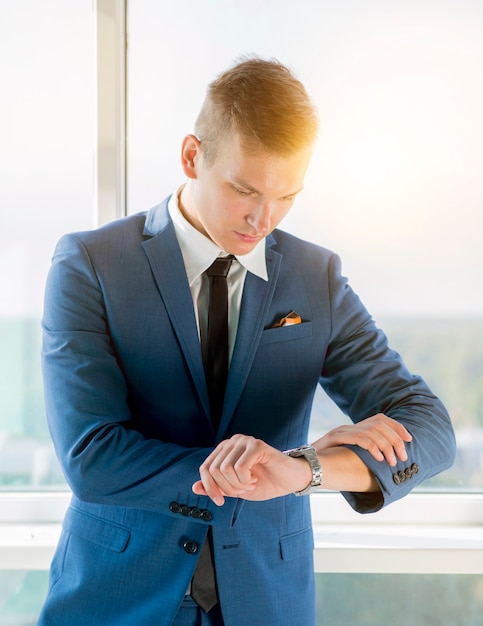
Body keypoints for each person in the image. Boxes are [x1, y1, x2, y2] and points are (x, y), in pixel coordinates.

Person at [38, 57, 455, 626]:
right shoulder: (91, 264)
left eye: (287, 196)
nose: (264, 218)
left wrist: (305, 469)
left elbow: (430, 429)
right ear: (192, 156)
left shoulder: (316, 278)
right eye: (244, 189)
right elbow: (93, 457)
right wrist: (261, 470)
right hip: (118, 596)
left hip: (266, 599)